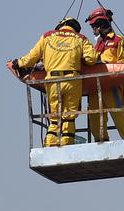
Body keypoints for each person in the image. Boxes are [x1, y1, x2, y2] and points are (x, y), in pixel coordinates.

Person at [10, 18, 98, 147]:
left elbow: (31, 58)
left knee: (55, 117)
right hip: (72, 81)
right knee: (69, 116)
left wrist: (17, 63)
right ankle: (66, 143)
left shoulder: (47, 36)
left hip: (52, 81)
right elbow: (92, 59)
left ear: (61, 25)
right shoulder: (81, 38)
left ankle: (50, 145)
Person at [85, 6, 124, 142]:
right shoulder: (98, 44)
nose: (93, 29)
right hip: (96, 87)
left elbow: (123, 64)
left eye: (94, 26)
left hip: (112, 86)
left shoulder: (119, 41)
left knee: (119, 116)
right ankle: (101, 142)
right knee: (95, 118)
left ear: (101, 24)